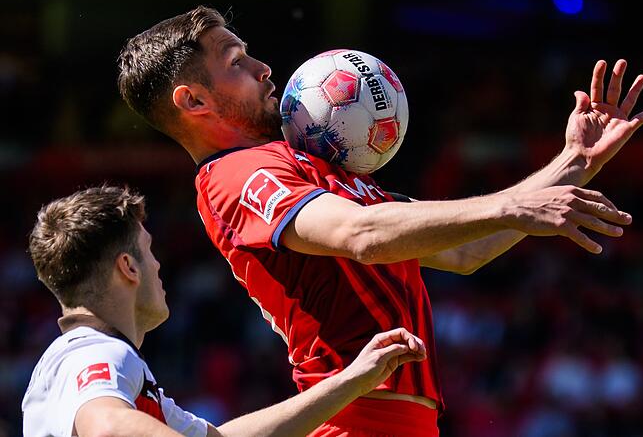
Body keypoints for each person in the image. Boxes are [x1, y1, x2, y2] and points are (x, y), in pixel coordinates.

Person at [117, 6, 643, 436]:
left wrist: (574, 163)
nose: (263, 68)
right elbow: (361, 234)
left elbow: (464, 251)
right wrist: (510, 205)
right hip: (354, 421)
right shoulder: (235, 175)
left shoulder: (309, 166)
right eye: (236, 61)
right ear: (193, 101)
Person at [22, 185, 426, 437]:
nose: (158, 266)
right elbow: (107, 427)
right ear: (128, 267)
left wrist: (352, 380)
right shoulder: (95, 352)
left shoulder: (90, 359)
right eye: (149, 252)